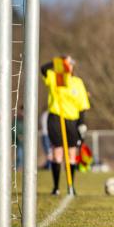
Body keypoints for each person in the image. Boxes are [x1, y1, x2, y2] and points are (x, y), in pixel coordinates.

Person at [42, 56, 90, 195]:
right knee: (58, 153)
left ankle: (71, 186)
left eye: (70, 64)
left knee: (71, 154)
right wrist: (59, 60)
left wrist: (82, 124)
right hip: (56, 118)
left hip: (72, 121)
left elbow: (82, 105)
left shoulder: (77, 82)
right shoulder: (55, 77)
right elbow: (43, 69)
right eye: (66, 64)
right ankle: (56, 187)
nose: (68, 66)